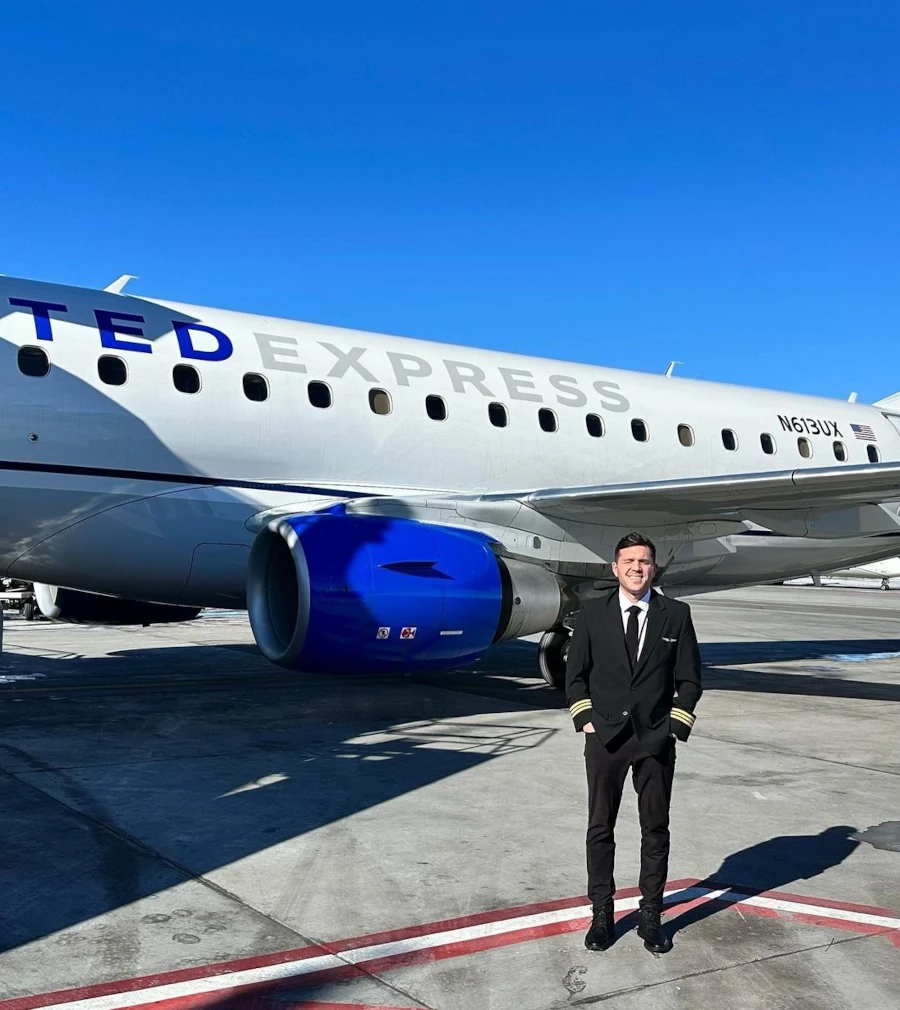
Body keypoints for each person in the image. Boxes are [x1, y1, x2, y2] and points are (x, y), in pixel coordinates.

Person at [565, 531, 702, 954]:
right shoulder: (591, 613)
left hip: (655, 740)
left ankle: (651, 916)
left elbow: (691, 679)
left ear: (653, 568)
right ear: (615, 568)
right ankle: (602, 914)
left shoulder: (675, 615)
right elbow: (574, 676)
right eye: (629, 561)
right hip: (604, 738)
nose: (637, 568)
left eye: (644, 561)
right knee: (600, 827)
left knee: (655, 829)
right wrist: (585, 719)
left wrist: (675, 726)